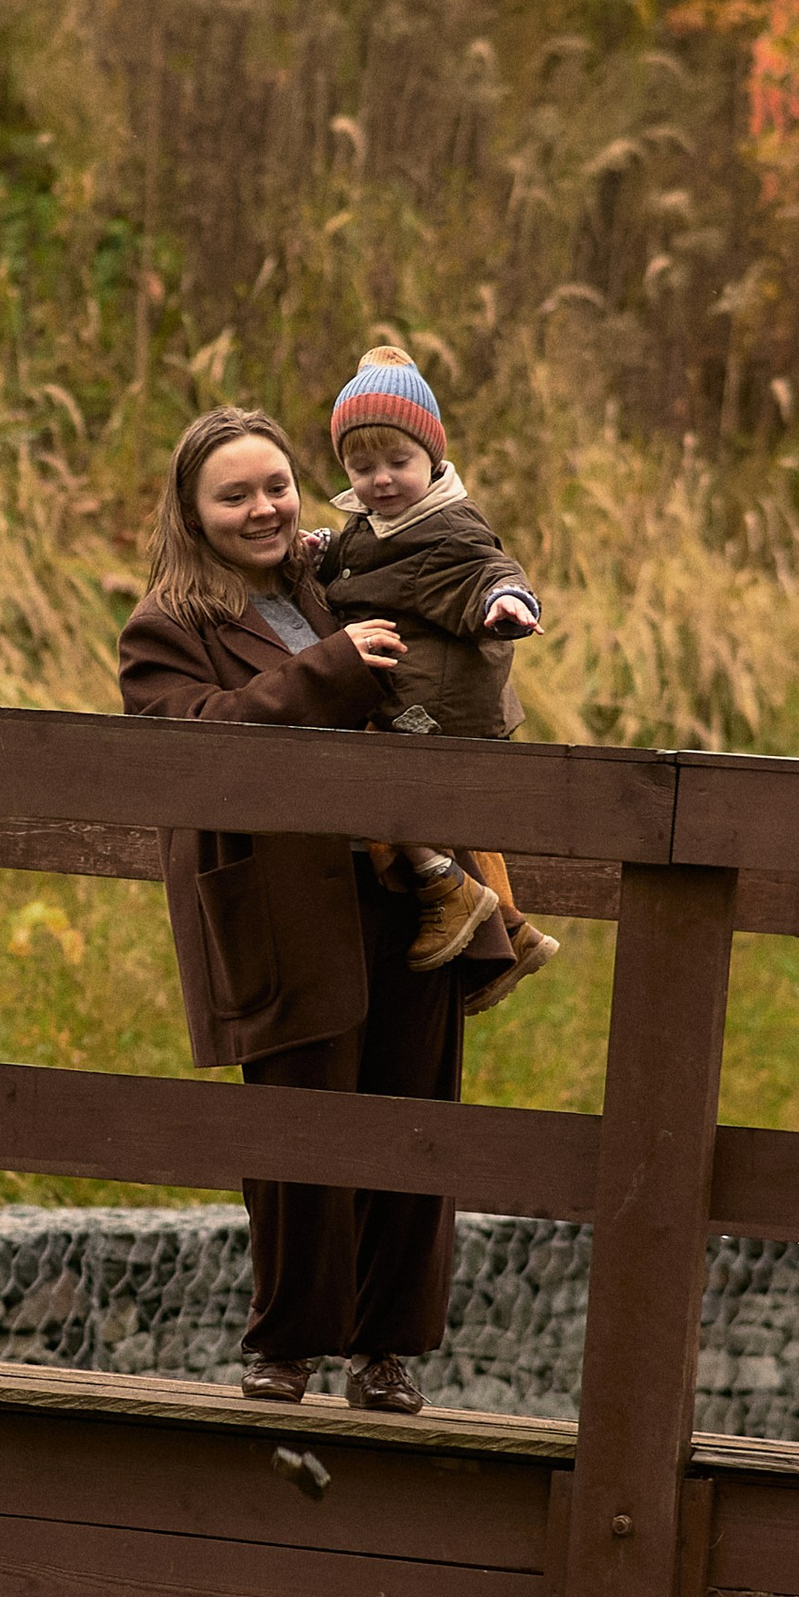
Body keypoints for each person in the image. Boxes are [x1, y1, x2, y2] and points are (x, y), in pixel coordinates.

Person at [117, 401, 514, 1414]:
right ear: (192, 510)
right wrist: (329, 668)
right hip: (283, 903)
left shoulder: (343, 569)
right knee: (299, 1134)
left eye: (276, 485)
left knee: (411, 1119)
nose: (262, 507)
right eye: (234, 493)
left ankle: (387, 1351)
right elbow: (193, 741)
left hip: (411, 891)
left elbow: (460, 609)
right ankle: (284, 1346)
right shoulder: (169, 625)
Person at [312, 353, 562, 1014]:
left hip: (436, 703)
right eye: (361, 468)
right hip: (447, 700)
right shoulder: (377, 522)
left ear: (432, 455)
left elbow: (486, 567)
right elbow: (354, 562)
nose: (380, 479)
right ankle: (511, 926)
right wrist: (319, 553)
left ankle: (443, 890)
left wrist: (506, 603)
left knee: (368, 769)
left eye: (396, 461)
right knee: (462, 820)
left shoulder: (447, 524)